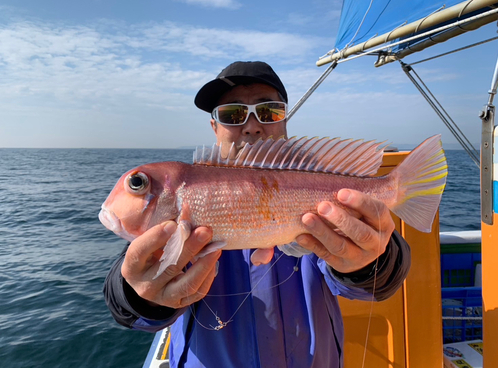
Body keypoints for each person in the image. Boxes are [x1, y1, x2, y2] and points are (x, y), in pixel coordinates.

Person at [103, 61, 411, 368]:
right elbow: (125, 300)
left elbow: (384, 278)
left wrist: (372, 260)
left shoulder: (321, 187)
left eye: (268, 111)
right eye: (232, 114)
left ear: (285, 120)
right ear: (214, 127)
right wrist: (141, 295)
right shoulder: (179, 211)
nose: (252, 126)